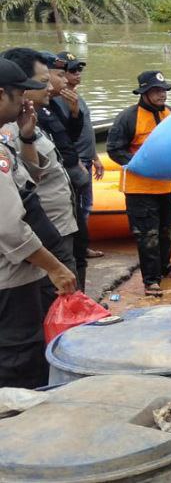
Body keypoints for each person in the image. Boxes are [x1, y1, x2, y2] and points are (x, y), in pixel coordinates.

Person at [0, 58, 76, 389]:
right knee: (19, 360)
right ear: (2, 95)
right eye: (20, 95)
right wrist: (55, 267)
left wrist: (27, 138)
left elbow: (25, 185)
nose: (25, 102)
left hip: (16, 275)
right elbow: (9, 227)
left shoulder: (7, 142)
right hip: (9, 281)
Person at [107, 70, 171, 297]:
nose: (162, 94)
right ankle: (151, 280)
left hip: (165, 186)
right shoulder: (128, 118)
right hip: (139, 189)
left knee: (167, 230)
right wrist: (139, 164)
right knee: (147, 235)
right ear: (144, 92)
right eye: (156, 90)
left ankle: (167, 267)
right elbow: (114, 149)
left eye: (164, 90)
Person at [38, 52, 90, 292]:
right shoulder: (34, 113)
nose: (62, 82)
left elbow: (68, 137)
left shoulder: (51, 107)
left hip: (68, 187)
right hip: (53, 197)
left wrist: (75, 112)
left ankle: (82, 299)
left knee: (78, 248)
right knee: (65, 254)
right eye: (59, 76)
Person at [55, 51, 104, 258]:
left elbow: (86, 130)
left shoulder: (76, 97)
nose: (77, 74)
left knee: (86, 205)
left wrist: (95, 156)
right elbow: (66, 135)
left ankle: (81, 246)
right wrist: (77, 161)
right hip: (76, 161)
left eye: (79, 70)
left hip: (86, 157)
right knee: (79, 206)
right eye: (72, 70)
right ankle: (79, 249)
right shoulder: (60, 100)